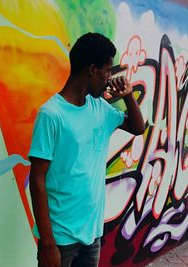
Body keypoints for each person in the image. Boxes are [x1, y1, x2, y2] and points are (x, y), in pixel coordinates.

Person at [28, 32, 145, 267]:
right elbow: (37, 178)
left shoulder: (99, 107)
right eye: (107, 71)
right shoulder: (51, 115)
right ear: (92, 70)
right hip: (60, 239)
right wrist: (48, 244)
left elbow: (137, 127)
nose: (109, 78)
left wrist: (128, 97)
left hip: (91, 235)